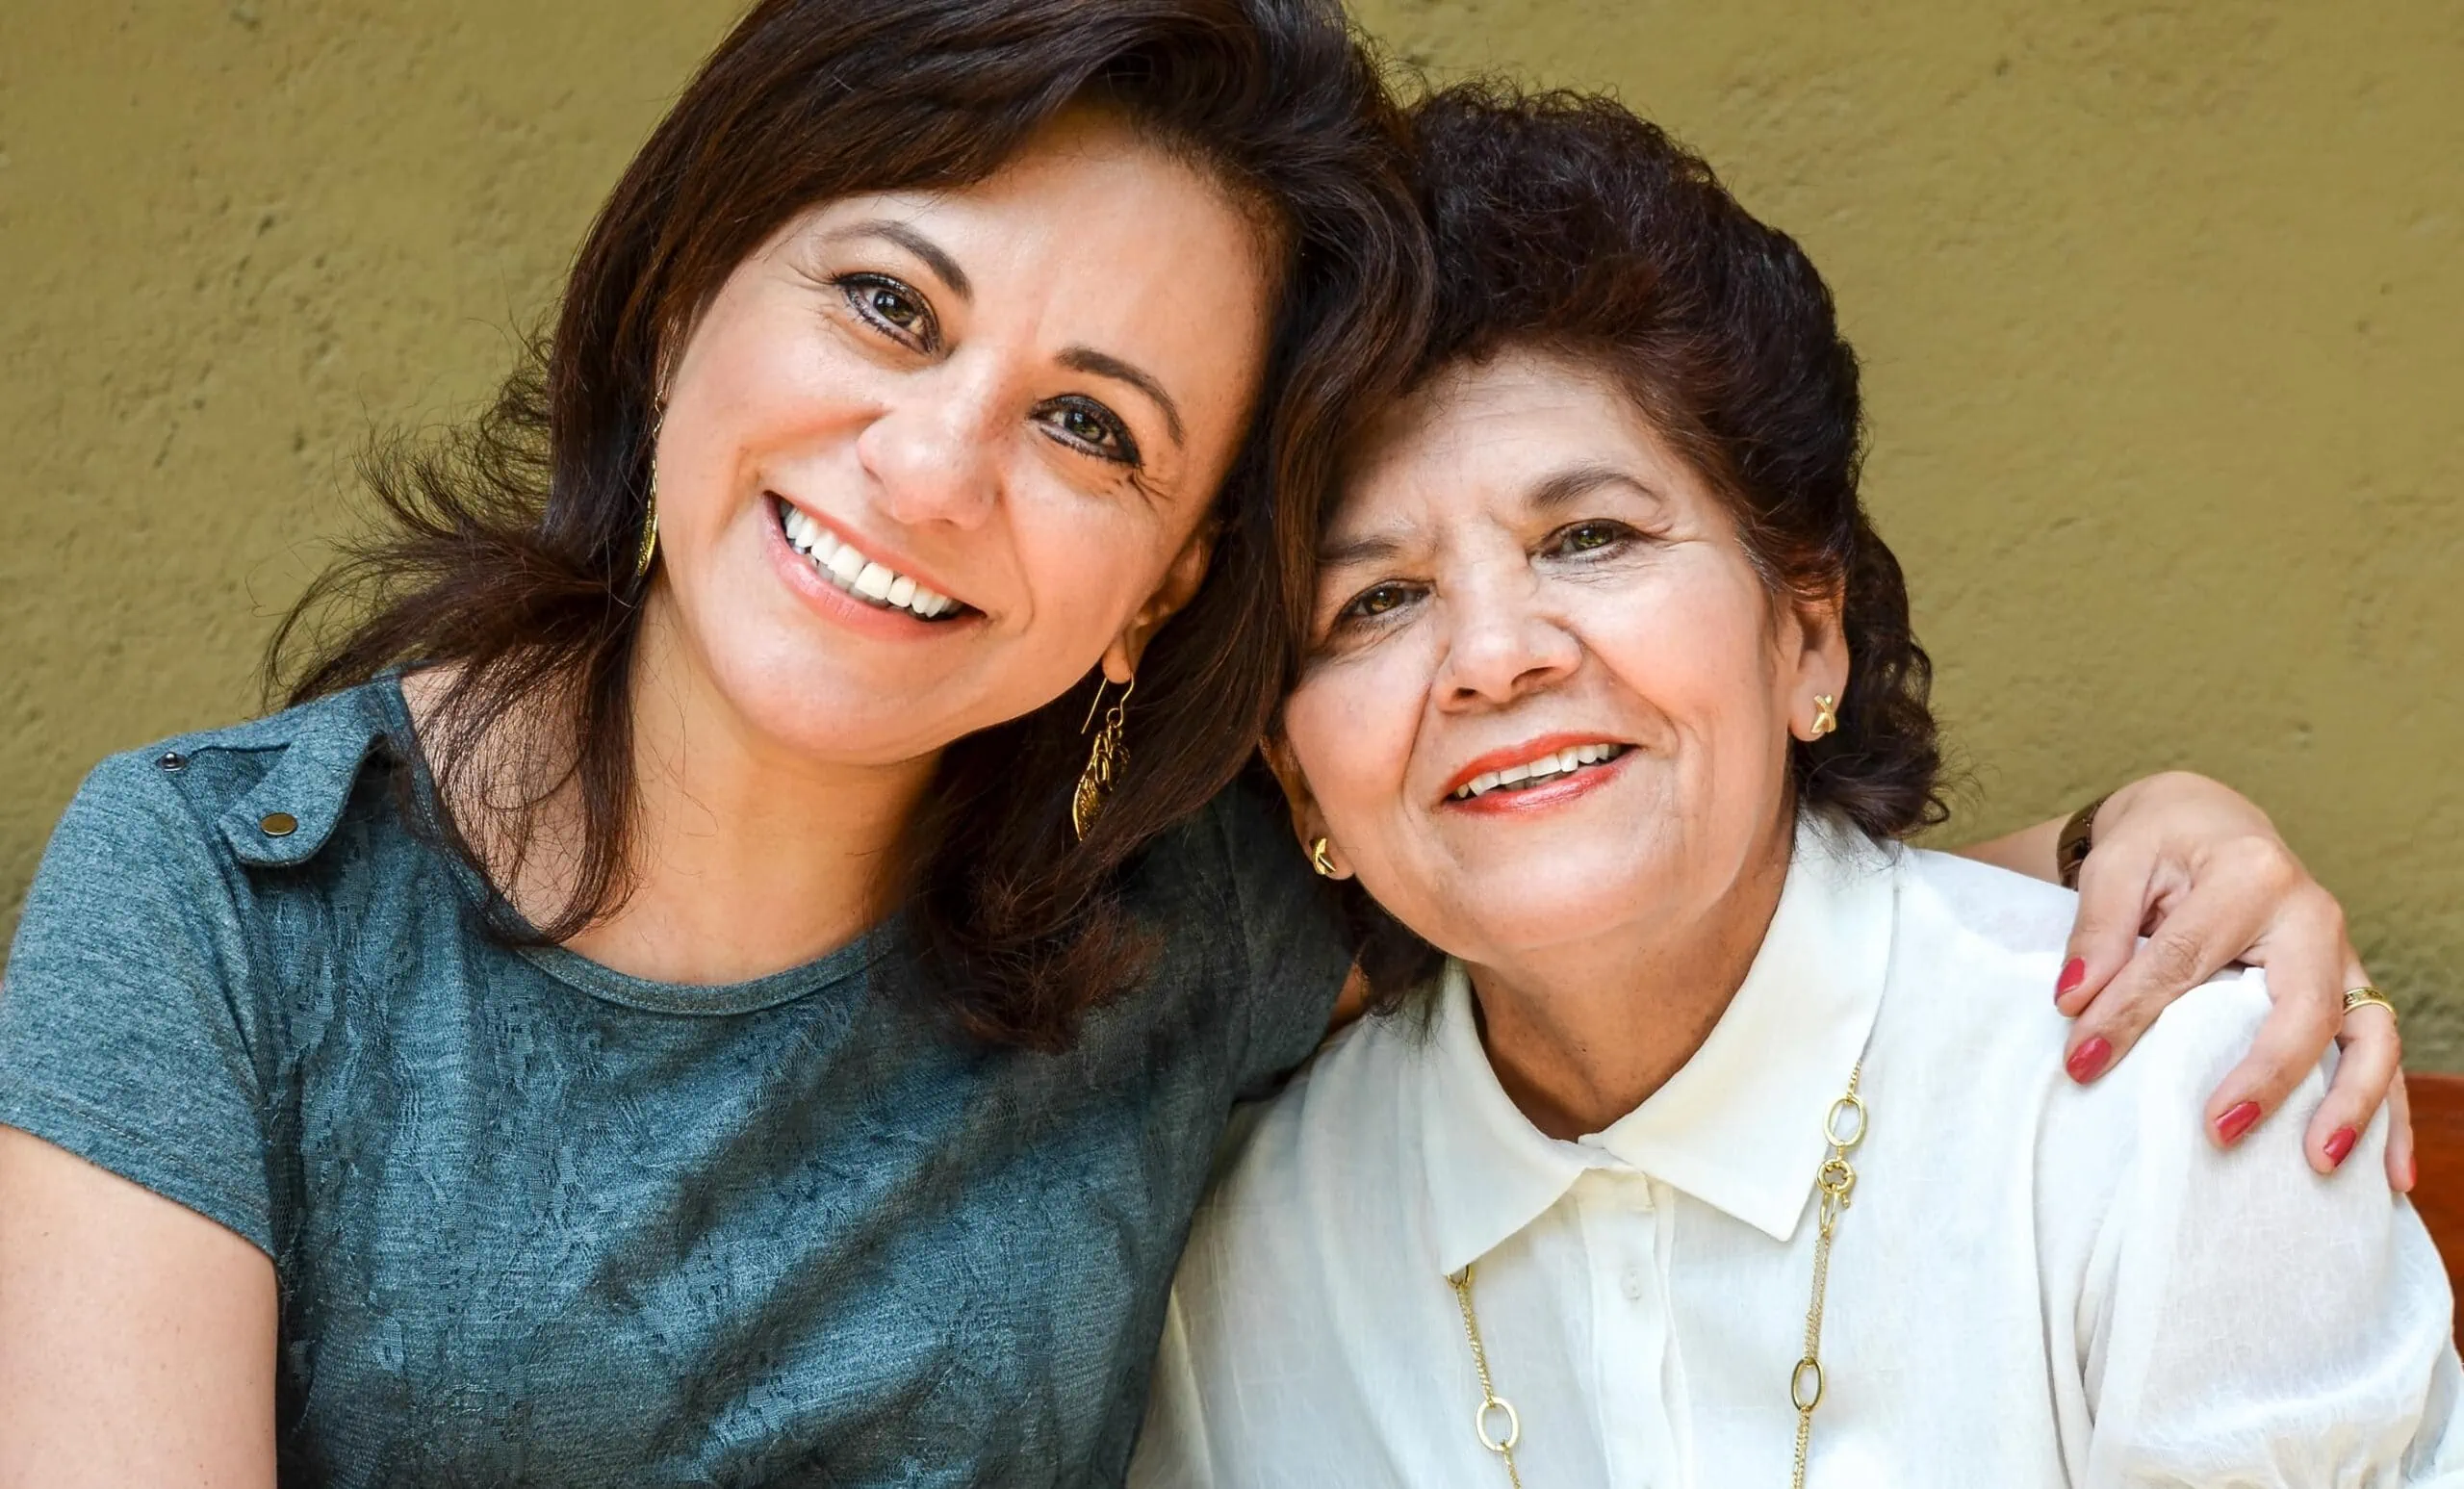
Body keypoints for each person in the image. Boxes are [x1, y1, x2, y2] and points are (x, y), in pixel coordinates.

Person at [0, 6, 2412, 1485]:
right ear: (675, 291)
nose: (931, 468)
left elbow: (1698, 942)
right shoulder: (232, 904)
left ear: (1164, 582)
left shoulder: (1187, 925)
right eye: (878, 299)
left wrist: (2126, 858)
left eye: (1088, 424)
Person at [1134, 87, 2452, 1487]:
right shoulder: (1249, 1260)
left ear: (1807, 630)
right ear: (1295, 769)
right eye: (1378, 601)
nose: (1494, 657)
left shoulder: (2162, 1098)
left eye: (1587, 535)